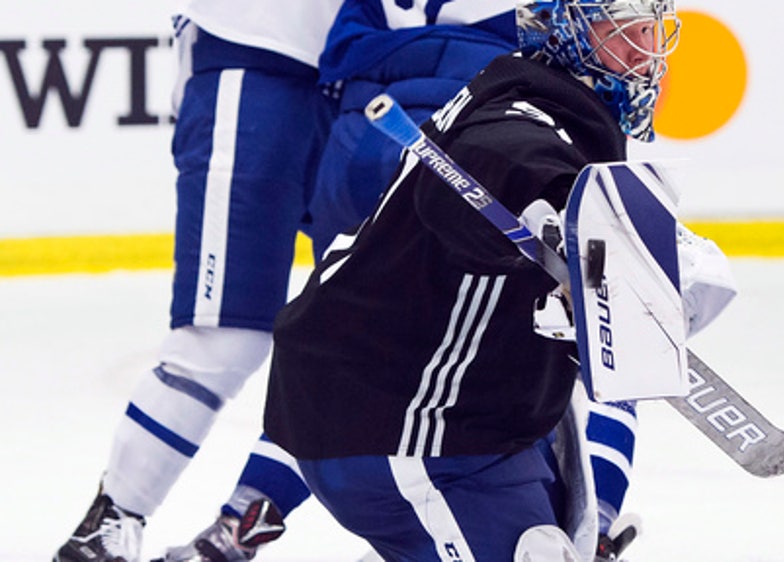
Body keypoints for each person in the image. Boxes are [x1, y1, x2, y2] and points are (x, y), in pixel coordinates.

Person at [260, 0, 683, 560]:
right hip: (402, 426)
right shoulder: (524, 110)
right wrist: (552, 200)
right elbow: (504, 154)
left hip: (457, 419)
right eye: (623, 33)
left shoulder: (554, 107)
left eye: (651, 34)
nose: (644, 55)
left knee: (558, 539)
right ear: (571, 34)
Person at [52, 2, 342, 561]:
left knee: (367, 344)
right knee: (224, 338)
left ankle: (233, 536)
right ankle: (108, 521)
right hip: (255, 57)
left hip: (385, 76)